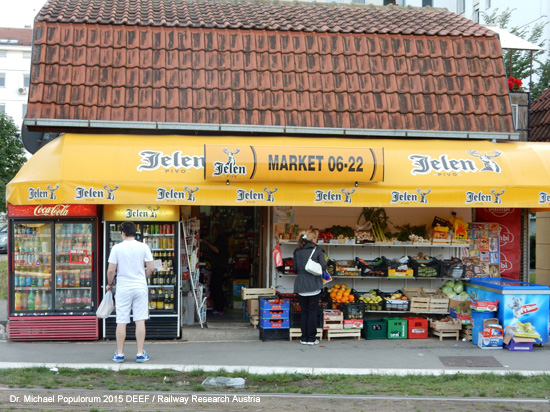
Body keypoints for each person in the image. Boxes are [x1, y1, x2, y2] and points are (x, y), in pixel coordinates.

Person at [107, 222, 154, 363]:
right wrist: (141, 278)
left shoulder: (117, 248)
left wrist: (110, 284)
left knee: (121, 321)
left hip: (123, 288)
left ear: (122, 232)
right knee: (140, 320)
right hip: (140, 287)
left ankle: (120, 354)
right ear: (135, 232)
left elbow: (111, 270)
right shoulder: (143, 246)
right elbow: (150, 268)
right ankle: (140, 353)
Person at [292, 230, 327, 345]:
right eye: (316, 238)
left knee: (304, 312)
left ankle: (304, 337)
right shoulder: (317, 250)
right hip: (313, 284)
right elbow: (323, 266)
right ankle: (311, 338)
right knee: (312, 312)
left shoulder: (297, 251)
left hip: (301, 284)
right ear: (313, 239)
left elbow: (295, 267)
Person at [201, 222, 229, 316]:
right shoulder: (220, 239)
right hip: (218, 266)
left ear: (217, 229)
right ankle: (218, 308)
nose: (212, 231)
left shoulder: (221, 239)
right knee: (215, 286)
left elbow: (217, 250)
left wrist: (207, 243)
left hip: (219, 266)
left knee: (216, 287)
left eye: (213, 229)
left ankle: (219, 308)